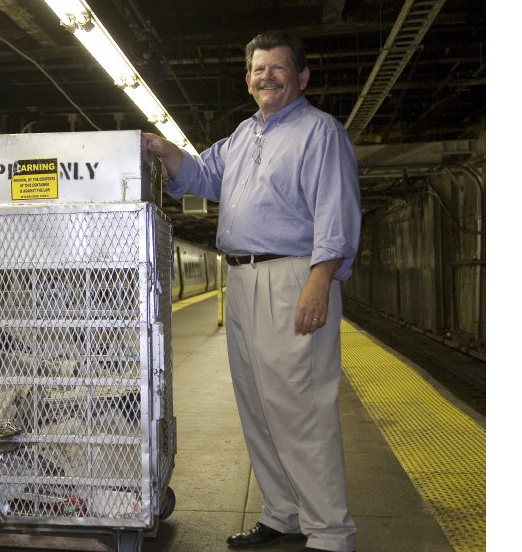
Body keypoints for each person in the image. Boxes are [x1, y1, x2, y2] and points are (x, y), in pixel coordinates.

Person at [143, 31, 360, 552]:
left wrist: (319, 281)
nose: (267, 77)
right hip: (240, 281)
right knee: (258, 405)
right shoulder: (243, 135)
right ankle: (282, 513)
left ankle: (330, 532)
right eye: (259, 70)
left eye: (278, 68)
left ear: (301, 77)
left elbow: (336, 210)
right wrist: (163, 148)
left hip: (291, 277)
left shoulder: (319, 132)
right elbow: (201, 174)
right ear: (248, 80)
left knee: (301, 406)